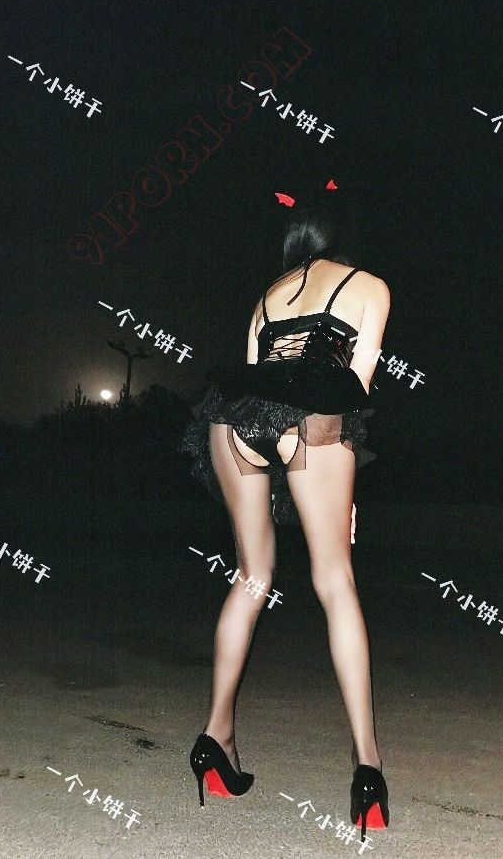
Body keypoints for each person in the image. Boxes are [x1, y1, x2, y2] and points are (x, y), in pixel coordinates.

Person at [182, 179, 390, 840]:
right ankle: (367, 768)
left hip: (232, 416)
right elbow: (355, 389)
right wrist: (340, 497)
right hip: (316, 416)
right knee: (335, 582)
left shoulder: (267, 297)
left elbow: (257, 380)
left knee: (251, 578)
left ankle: (215, 737)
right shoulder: (369, 285)